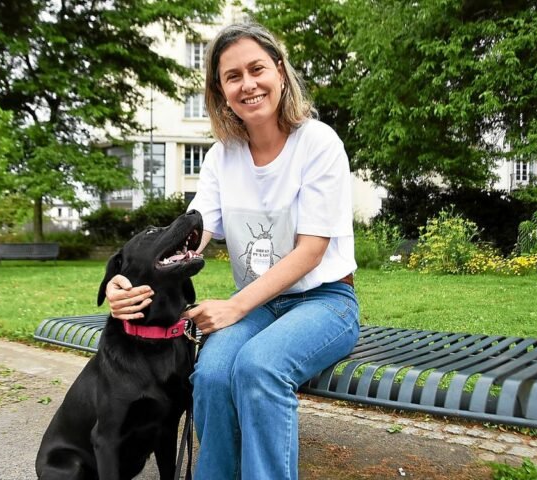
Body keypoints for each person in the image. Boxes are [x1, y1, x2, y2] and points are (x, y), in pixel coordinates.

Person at [104, 22, 359, 480]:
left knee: (260, 369)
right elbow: (193, 233)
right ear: (221, 90)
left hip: (326, 303)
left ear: (280, 72)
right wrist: (131, 278)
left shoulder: (318, 144)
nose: (248, 84)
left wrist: (235, 306)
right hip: (260, 307)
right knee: (214, 374)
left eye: (257, 68)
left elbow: (311, 252)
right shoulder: (222, 156)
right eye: (233, 76)